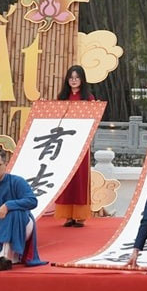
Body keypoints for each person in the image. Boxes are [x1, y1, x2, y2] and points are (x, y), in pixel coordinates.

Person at [54, 65, 96, 228]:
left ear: (82, 80)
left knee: (80, 179)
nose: (73, 80)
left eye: (77, 77)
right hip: (64, 142)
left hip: (81, 143)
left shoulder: (89, 98)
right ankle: (68, 215)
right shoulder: (62, 97)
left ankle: (80, 216)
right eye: (71, 77)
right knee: (66, 178)